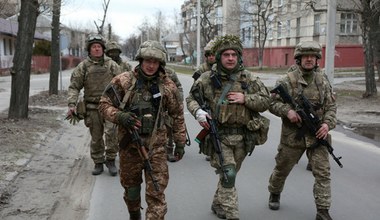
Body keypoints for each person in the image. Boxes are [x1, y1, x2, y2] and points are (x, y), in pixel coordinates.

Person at [98, 40, 186, 220]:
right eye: (147, 61)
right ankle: (134, 214)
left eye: (155, 62)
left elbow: (177, 115)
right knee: (132, 190)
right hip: (129, 147)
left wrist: (180, 142)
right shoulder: (124, 81)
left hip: (157, 148)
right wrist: (120, 116)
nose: (151, 65)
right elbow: (104, 105)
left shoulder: (168, 86)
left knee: (157, 193)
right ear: (140, 60)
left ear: (160, 63)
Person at [186, 34, 271, 220]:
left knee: (229, 176)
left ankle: (218, 204)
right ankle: (232, 214)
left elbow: (266, 101)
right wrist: (198, 112)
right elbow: (191, 99)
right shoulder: (207, 79)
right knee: (229, 173)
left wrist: (246, 98)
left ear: (239, 57)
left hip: (243, 137)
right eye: (226, 55)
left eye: (234, 54)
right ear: (219, 57)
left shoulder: (249, 79)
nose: (231, 58)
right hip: (220, 136)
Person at [267, 41, 337, 220]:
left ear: (316, 59)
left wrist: (327, 124)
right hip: (293, 137)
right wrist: (287, 111)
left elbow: (331, 106)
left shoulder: (323, 80)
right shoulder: (286, 80)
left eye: (312, 56)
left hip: (317, 135)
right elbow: (271, 102)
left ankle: (323, 210)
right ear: (298, 59)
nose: (308, 59)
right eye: (305, 56)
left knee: (323, 173)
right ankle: (274, 192)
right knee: (282, 169)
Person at [67, 34, 121, 176]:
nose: (96, 49)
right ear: (89, 50)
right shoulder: (83, 66)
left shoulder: (112, 65)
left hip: (110, 106)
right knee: (96, 137)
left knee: (112, 134)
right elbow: (74, 86)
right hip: (92, 107)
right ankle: (98, 162)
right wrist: (72, 104)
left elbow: (123, 83)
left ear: (103, 49)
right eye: (93, 47)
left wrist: (124, 103)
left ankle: (110, 160)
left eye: (98, 47)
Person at [192, 39, 216, 161]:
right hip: (205, 101)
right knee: (209, 127)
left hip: (218, 101)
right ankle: (209, 149)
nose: (211, 57)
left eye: (213, 54)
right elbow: (195, 90)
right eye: (209, 55)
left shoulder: (222, 67)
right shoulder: (201, 69)